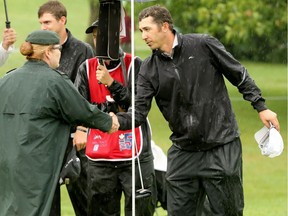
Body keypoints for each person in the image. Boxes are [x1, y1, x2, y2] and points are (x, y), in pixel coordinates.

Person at [116, 5, 281, 216]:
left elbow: (238, 74)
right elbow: (138, 114)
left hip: (221, 146)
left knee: (229, 212)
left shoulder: (203, 45)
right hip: (184, 152)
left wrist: (261, 106)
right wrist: (113, 122)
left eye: (147, 29)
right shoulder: (148, 69)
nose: (144, 36)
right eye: (141, 31)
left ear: (165, 26)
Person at [0, 30, 119, 216]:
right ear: (48, 52)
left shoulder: (6, 80)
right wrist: (109, 122)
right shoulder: (55, 81)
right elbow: (83, 111)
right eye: (58, 49)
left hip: (7, 164)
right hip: (37, 164)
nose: (60, 54)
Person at [73, 20, 157, 216]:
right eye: (95, 36)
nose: (98, 40)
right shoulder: (86, 68)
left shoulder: (134, 64)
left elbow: (137, 106)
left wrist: (111, 83)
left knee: (140, 210)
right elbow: (80, 108)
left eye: (103, 36)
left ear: (118, 38)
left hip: (134, 153)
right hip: (100, 154)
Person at [37, 1, 95, 215]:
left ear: (62, 20)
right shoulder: (39, 49)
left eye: (48, 22)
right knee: (47, 204)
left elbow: (88, 94)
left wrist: (82, 129)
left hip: (75, 140)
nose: (43, 27)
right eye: (41, 22)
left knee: (84, 200)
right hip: (46, 140)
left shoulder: (83, 50)